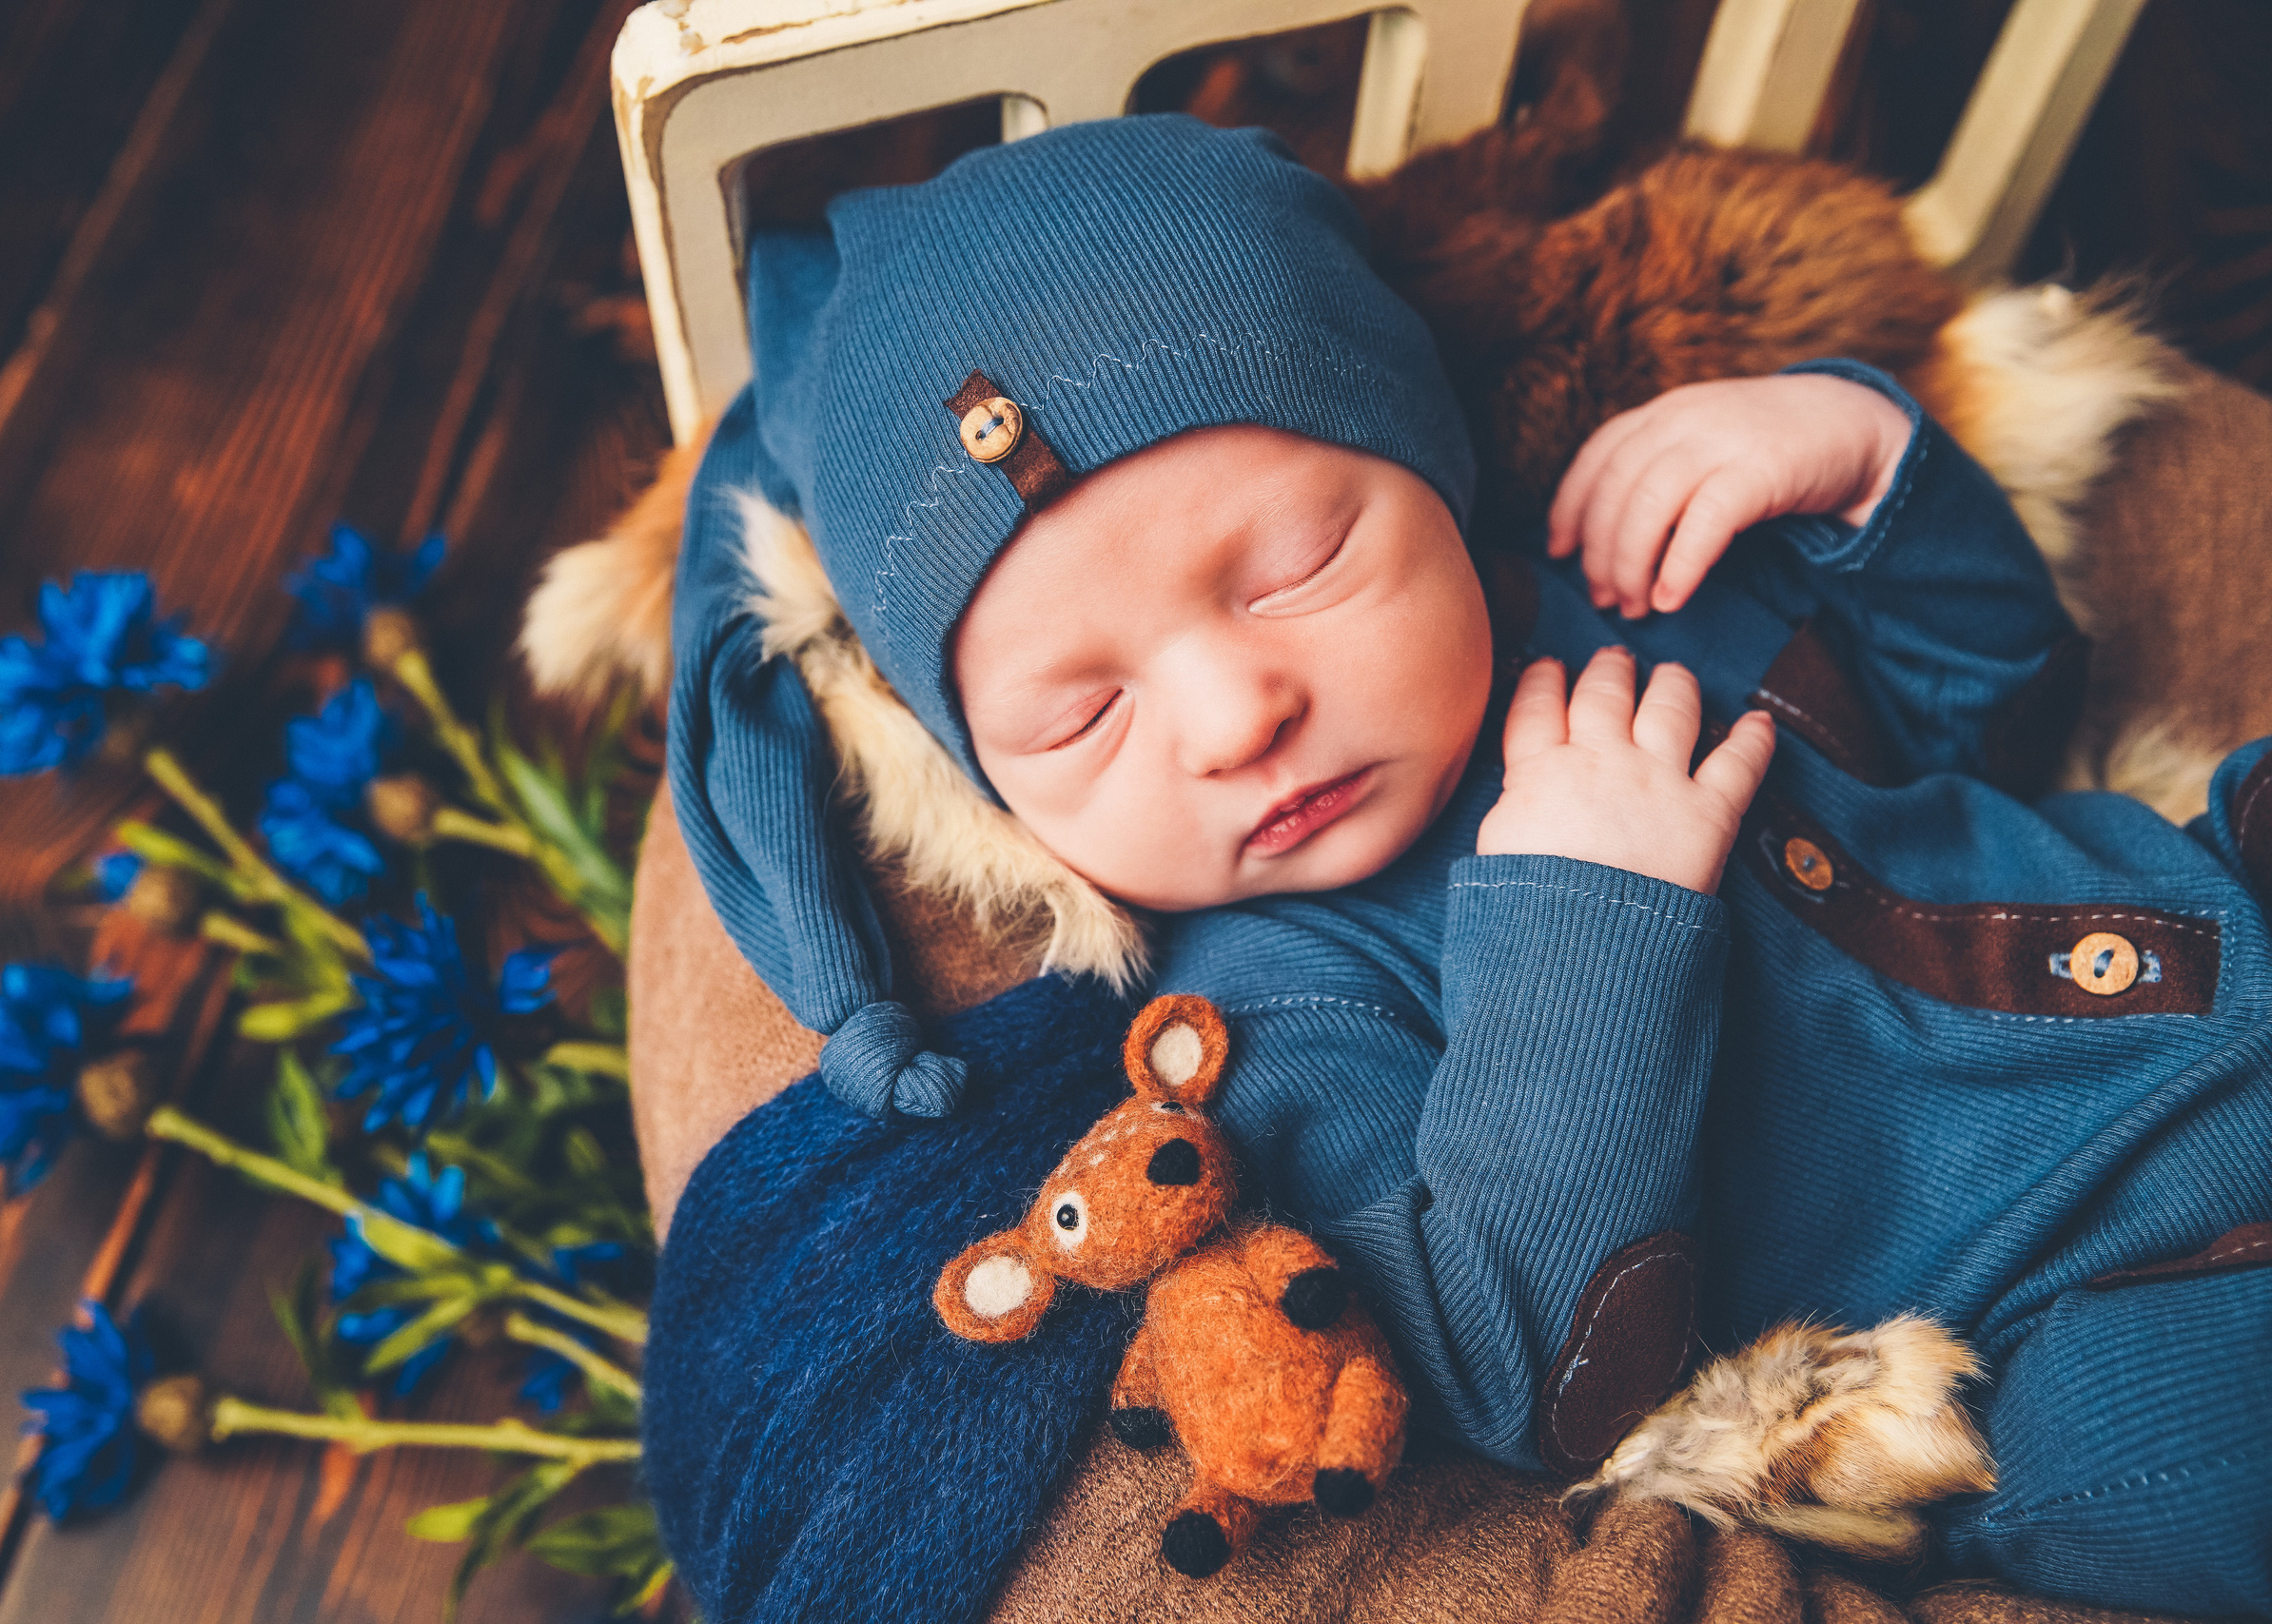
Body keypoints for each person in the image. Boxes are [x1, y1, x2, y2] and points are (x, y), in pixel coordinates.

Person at [642, 114, 2272, 1612]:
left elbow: (1992, 701)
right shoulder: (1270, 1013)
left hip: (2219, 886)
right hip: (2110, 1287)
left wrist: (1864, 468)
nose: (1231, 714)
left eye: (1297, 568)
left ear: (1435, 473)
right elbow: (1520, 1371)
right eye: (1084, 715)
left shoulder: (1622, 587)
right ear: (989, 788)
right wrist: (1591, 927)